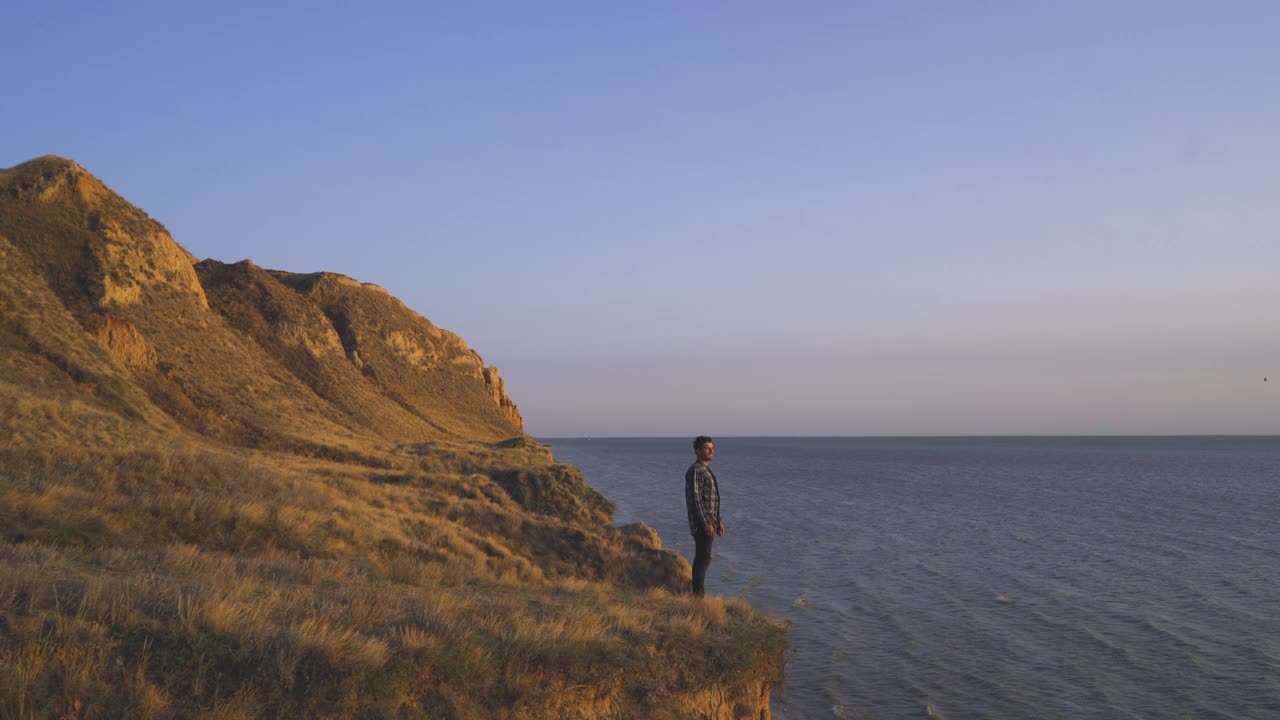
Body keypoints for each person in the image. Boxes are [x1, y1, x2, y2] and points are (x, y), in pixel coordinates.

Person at [685, 435, 725, 596]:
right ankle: (698, 597)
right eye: (707, 448)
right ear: (698, 451)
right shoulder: (696, 470)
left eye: (712, 448)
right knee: (703, 558)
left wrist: (718, 521)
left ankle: (698, 595)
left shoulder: (705, 470)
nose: (711, 450)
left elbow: (711, 500)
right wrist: (706, 523)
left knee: (704, 557)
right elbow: (696, 498)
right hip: (701, 523)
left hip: (708, 522)